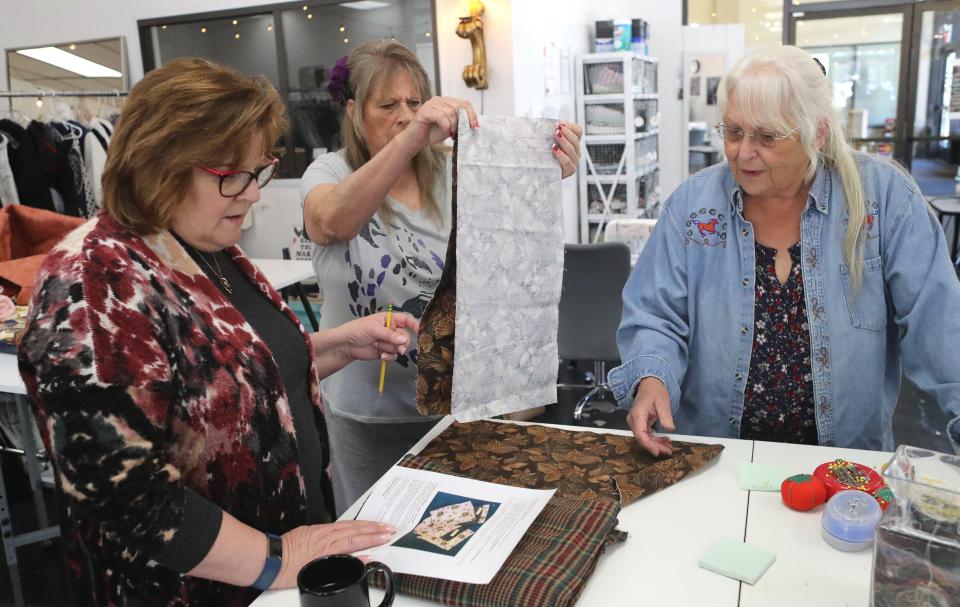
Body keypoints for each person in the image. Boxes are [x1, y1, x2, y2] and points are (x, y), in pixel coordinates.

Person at [17, 58, 417, 606]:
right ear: (161, 165)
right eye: (233, 176)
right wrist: (275, 558)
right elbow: (121, 490)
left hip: (277, 572)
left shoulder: (202, 246)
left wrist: (335, 346)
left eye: (260, 170)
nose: (254, 194)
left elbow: (230, 378)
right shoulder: (94, 281)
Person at [609, 45, 960, 456]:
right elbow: (654, 313)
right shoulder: (694, 208)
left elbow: (939, 323)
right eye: (734, 131)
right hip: (716, 459)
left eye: (768, 137)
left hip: (840, 465)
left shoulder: (882, 200)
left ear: (819, 133)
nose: (743, 152)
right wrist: (652, 377)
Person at [301, 40, 583, 514]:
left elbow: (505, 242)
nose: (406, 115)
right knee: (375, 534)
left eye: (415, 103)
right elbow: (331, 222)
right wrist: (409, 139)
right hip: (367, 416)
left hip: (456, 408)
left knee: (455, 532)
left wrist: (544, 169)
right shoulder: (329, 172)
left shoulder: (452, 171)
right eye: (388, 105)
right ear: (353, 111)